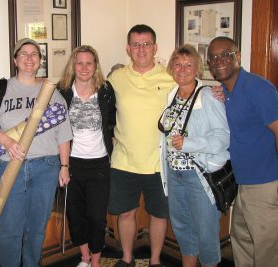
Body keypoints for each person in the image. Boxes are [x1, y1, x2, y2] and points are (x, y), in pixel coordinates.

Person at [0, 38, 72, 267]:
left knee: (37, 228)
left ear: (40, 60)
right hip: (8, 166)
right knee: (10, 228)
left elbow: (64, 133)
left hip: (45, 167)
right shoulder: (0, 88)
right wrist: (6, 141)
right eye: (24, 54)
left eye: (34, 54)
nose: (29, 58)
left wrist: (64, 166)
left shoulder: (51, 92)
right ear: (15, 59)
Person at [207, 36, 278, 267]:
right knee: (243, 245)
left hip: (268, 185)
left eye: (225, 54)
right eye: (213, 57)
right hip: (244, 185)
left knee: (268, 255)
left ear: (238, 56)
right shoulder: (226, 91)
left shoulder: (258, 87)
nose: (219, 60)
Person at [107, 24, 175, 267]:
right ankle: (127, 258)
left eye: (146, 44)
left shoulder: (170, 77)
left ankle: (155, 260)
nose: (141, 49)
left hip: (159, 162)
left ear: (155, 47)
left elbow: (193, 95)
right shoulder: (116, 78)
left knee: (159, 214)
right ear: (128, 48)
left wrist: (216, 92)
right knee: (125, 213)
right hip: (124, 160)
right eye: (136, 44)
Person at [159, 44, 230, 267]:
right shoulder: (172, 94)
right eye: (178, 64)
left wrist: (189, 144)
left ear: (197, 68)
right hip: (173, 173)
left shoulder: (208, 95)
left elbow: (223, 137)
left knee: (206, 232)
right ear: (171, 67)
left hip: (198, 175)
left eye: (188, 65)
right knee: (183, 230)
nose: (182, 69)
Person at [57, 45, 116, 267]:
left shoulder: (106, 90)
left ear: (95, 66)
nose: (84, 67)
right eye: (79, 62)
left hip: (99, 164)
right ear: (73, 65)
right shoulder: (61, 91)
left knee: (96, 217)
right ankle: (84, 257)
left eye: (88, 63)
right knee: (76, 216)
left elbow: (113, 120)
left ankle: (96, 261)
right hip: (71, 164)